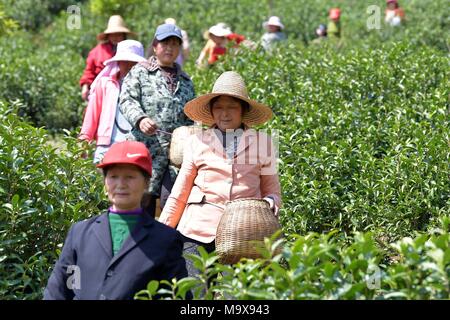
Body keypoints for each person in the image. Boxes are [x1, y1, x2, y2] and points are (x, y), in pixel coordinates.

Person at [158, 71, 282, 279]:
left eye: (232, 107)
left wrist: (269, 203)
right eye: (219, 108)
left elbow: (273, 191)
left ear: (243, 110)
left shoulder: (264, 142)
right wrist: (161, 232)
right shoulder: (197, 141)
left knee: (237, 296)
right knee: (196, 294)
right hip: (198, 230)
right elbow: (180, 192)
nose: (225, 114)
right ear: (212, 112)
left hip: (243, 234)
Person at [43, 141, 188, 300]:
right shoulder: (79, 233)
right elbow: (60, 290)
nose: (121, 184)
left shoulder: (165, 240)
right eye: (113, 176)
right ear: (105, 181)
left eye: (130, 177)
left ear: (147, 182)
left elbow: (177, 296)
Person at [119, 23, 195, 218]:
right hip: (144, 152)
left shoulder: (186, 82)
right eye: (164, 43)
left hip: (174, 159)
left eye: (174, 44)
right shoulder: (140, 72)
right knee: (141, 206)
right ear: (154, 46)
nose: (169, 48)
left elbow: (191, 118)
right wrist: (140, 118)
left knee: (173, 206)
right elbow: (127, 100)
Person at [79, 40, 146, 163]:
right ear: (118, 62)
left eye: (133, 62)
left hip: (136, 145)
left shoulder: (147, 87)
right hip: (107, 145)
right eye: (125, 61)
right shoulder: (105, 84)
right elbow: (92, 116)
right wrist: (84, 141)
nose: (129, 65)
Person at [79, 15, 136, 101]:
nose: (115, 37)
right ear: (108, 36)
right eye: (112, 35)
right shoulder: (97, 51)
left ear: (124, 35)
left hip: (127, 92)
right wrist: (85, 87)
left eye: (118, 34)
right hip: (101, 92)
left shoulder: (132, 50)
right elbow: (89, 71)